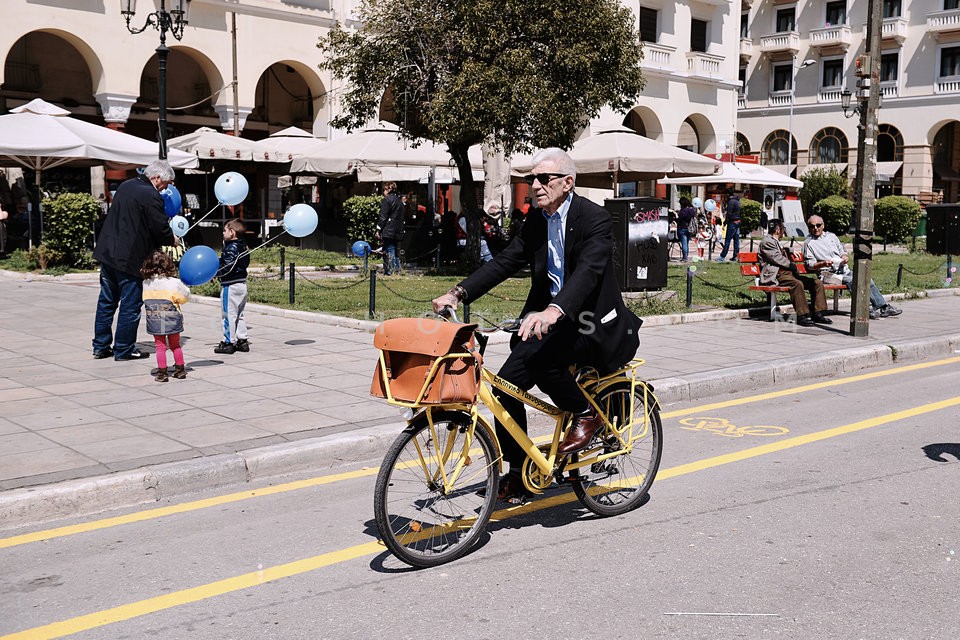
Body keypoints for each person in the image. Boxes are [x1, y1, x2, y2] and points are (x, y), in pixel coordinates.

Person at [431, 148, 643, 502]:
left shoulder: (594, 218)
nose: (535, 185)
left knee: (545, 364)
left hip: (592, 322)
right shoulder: (537, 220)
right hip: (552, 321)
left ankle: (586, 413)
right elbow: (506, 261)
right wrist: (458, 293)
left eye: (544, 178)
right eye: (532, 179)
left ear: (567, 183)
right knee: (504, 389)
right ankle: (517, 474)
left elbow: (589, 272)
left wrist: (554, 310)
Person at [92, 160, 177, 361]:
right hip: (130, 258)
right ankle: (123, 349)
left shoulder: (126, 185)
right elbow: (159, 227)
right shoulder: (151, 195)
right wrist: (171, 239)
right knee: (130, 305)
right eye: (166, 184)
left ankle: (101, 346)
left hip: (108, 253)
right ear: (157, 178)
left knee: (106, 302)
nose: (166, 189)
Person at [802, 214, 902, 320]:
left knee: (866, 278)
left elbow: (842, 251)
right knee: (853, 280)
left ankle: (884, 307)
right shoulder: (808, 243)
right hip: (827, 274)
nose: (815, 228)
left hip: (843, 270)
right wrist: (823, 263)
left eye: (818, 225)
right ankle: (864, 308)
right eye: (812, 226)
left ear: (823, 225)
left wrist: (844, 257)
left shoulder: (831, 236)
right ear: (809, 228)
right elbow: (810, 265)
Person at [759, 219, 830, 327]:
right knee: (797, 284)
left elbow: (780, 249)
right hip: (777, 275)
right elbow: (777, 258)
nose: (784, 231)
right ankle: (802, 315)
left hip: (788, 274)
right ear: (778, 230)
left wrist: (790, 250)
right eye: (783, 228)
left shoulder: (774, 240)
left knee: (817, 283)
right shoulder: (767, 241)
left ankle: (818, 313)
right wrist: (792, 265)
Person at [140, 250, 190, 382]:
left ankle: (162, 373)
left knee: (160, 347)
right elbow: (184, 297)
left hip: (155, 318)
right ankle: (180, 370)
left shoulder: (146, 283)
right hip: (171, 318)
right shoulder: (173, 282)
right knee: (175, 345)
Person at [214, 218, 250, 355]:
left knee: (228, 315)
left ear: (232, 232)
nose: (223, 233)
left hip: (231, 286)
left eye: (224, 230)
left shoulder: (231, 248)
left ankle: (228, 342)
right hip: (241, 284)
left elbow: (228, 267)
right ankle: (242, 340)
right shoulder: (243, 246)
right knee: (239, 314)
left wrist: (216, 273)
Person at [377, 181, 405, 275]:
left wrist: (378, 229)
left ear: (388, 190)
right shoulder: (400, 201)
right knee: (396, 252)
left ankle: (390, 271)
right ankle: (397, 271)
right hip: (399, 229)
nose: (383, 192)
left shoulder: (387, 200)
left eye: (384, 190)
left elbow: (383, 216)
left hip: (389, 229)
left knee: (389, 250)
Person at [716, 192, 742, 262]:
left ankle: (722, 256)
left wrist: (725, 223)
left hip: (732, 222)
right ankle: (736, 256)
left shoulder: (731, 202)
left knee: (727, 240)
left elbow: (729, 214)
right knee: (736, 241)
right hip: (738, 222)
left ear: (728, 195)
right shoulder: (737, 201)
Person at [676, 197, 697, 262]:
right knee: (686, 243)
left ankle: (685, 257)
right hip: (690, 228)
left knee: (684, 243)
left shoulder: (683, 211)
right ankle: (686, 256)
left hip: (682, 228)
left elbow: (680, 219)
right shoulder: (691, 210)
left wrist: (676, 218)